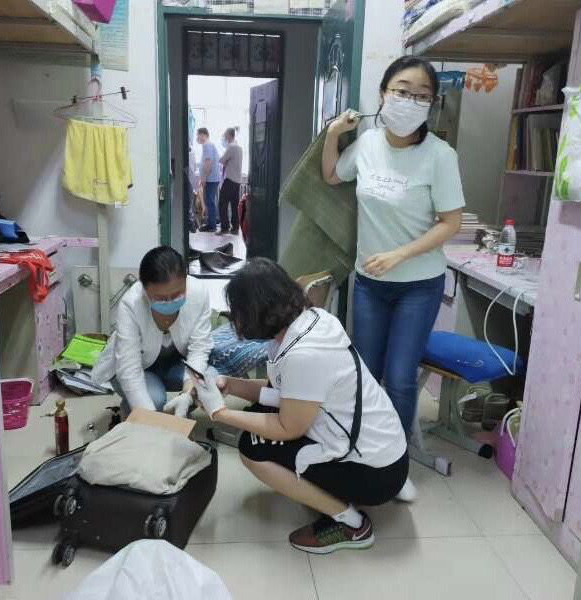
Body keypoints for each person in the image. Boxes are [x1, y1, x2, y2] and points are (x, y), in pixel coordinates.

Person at [194, 258, 409, 555]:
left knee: (252, 449)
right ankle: (332, 491)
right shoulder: (312, 320)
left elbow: (288, 427)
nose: (236, 322)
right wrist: (230, 385)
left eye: (238, 314)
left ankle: (351, 524)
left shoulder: (303, 354)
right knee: (259, 417)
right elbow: (285, 391)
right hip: (385, 448)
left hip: (377, 473)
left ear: (256, 312)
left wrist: (221, 413)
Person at [321, 57, 465, 501]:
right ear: (383, 93)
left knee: (400, 378)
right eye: (402, 90)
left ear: (432, 104)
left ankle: (395, 467)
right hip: (370, 283)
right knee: (365, 372)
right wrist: (333, 135)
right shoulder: (366, 144)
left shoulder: (440, 156)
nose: (410, 101)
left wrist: (401, 254)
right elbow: (331, 175)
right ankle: (363, 449)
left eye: (421, 95)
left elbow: (451, 223)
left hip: (418, 285)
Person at [92, 246, 213, 417]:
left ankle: (180, 409)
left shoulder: (199, 293)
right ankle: (132, 410)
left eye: (177, 294)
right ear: (144, 289)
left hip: (175, 364)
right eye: (161, 298)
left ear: (186, 280)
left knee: (209, 381)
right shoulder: (131, 304)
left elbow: (200, 348)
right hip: (140, 368)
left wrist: (188, 394)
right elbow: (129, 370)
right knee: (154, 401)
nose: (170, 302)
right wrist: (150, 420)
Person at [218, 127, 244, 235]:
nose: (224, 136)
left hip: (229, 179)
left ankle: (224, 228)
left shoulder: (231, 147)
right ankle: (235, 228)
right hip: (237, 180)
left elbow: (221, 160)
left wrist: (225, 161)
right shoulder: (239, 148)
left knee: (222, 203)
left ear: (229, 135)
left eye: (225, 134)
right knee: (234, 204)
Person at [197, 127, 221, 232]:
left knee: (210, 201)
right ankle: (211, 223)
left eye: (198, 135)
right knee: (210, 201)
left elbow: (208, 163)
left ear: (204, 135)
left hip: (211, 179)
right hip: (212, 178)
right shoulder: (207, 145)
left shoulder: (207, 145)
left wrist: (204, 178)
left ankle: (212, 226)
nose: (197, 138)